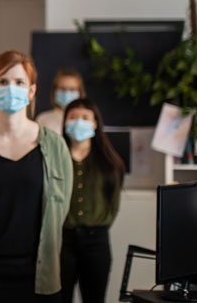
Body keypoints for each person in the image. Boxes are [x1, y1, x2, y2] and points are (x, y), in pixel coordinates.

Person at [0, 50, 74, 303]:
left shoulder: (55, 146)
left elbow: (62, 208)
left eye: (19, 82)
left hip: (38, 279)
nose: (10, 88)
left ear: (31, 91)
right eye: (3, 82)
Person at [59, 98, 125, 303]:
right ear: (65, 122)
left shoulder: (109, 162)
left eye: (85, 117)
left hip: (96, 241)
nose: (79, 121)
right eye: (73, 117)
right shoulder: (56, 157)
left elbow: (112, 205)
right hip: (62, 241)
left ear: (95, 123)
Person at [36, 69, 86, 135]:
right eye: (63, 89)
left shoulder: (87, 119)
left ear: (80, 92)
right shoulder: (43, 119)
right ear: (54, 91)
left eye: (72, 89)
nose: (67, 93)